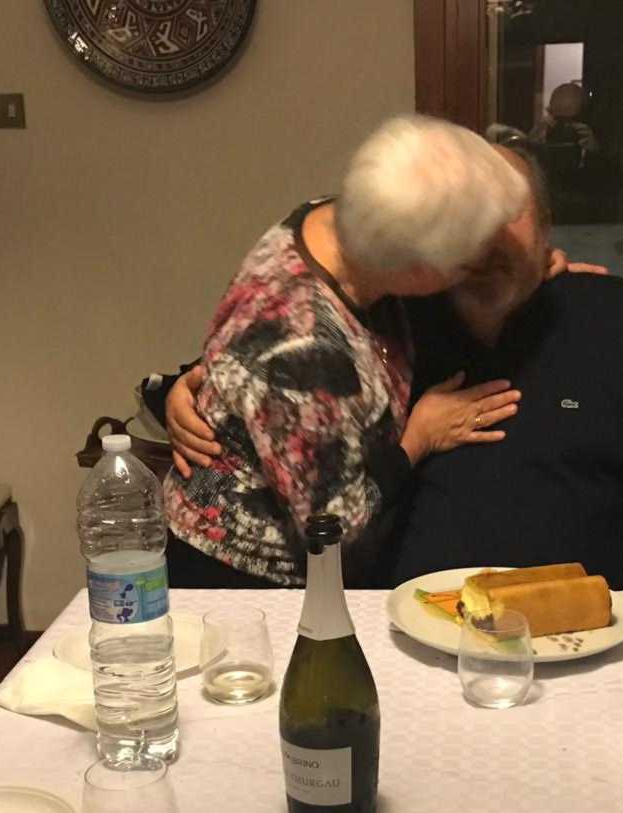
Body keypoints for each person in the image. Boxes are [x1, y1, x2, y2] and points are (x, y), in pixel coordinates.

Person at [171, 145, 623, 638]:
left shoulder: (614, 317)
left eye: (508, 211)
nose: (487, 235)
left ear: (547, 227)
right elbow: (275, 359)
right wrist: (178, 390)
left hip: (583, 635)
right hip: (407, 635)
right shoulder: (398, 313)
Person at [162, 114, 528, 590]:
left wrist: (531, 273)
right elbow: (332, 528)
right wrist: (418, 439)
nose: (477, 268)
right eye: (469, 263)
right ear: (418, 272)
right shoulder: (305, 350)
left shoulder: (339, 218)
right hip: (247, 583)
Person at [531, 82, 600, 153]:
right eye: (560, 120)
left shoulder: (587, 138)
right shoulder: (543, 130)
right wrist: (532, 143)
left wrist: (593, 151)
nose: (566, 126)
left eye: (572, 120)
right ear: (550, 113)